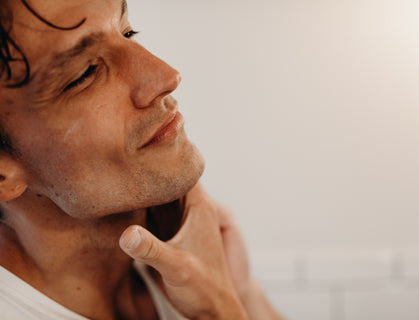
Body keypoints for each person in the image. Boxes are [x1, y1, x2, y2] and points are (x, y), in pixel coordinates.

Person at [0, 0, 284, 319]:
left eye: (127, 32)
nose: (166, 75)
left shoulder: (188, 263)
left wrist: (241, 290)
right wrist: (219, 309)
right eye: (86, 74)